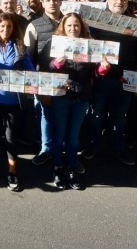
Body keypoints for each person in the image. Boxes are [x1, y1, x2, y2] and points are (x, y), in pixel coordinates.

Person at [83, 0, 137, 166]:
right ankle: (92, 145)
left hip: (124, 79)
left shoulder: (136, 23)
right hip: (100, 77)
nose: (119, 2)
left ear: (128, 2)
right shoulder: (94, 20)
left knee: (119, 117)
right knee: (96, 115)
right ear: (107, 0)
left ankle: (118, 147)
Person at [46, 13, 103, 190]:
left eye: (76, 25)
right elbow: (47, 68)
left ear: (81, 27)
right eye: (69, 25)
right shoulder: (56, 43)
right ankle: (57, 168)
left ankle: (71, 168)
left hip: (81, 97)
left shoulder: (90, 45)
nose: (73, 28)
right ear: (63, 27)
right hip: (61, 95)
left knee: (73, 136)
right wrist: (57, 64)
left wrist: (103, 68)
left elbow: (95, 74)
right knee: (59, 134)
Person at [0, 12, 34, 192]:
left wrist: (45, 83)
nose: (6, 29)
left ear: (14, 28)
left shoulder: (20, 48)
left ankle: (12, 171)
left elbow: (31, 71)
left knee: (11, 137)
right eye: (2, 26)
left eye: (9, 26)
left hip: (14, 101)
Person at [24, 0, 63, 167]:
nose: (52, 3)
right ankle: (46, 149)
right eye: (48, 0)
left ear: (60, 2)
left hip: (67, 78)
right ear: (42, 2)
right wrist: (32, 79)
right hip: (44, 78)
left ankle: (62, 149)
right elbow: (28, 55)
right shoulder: (34, 25)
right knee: (45, 116)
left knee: (64, 115)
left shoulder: (70, 22)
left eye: (55, 0)